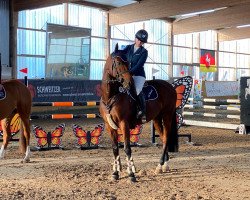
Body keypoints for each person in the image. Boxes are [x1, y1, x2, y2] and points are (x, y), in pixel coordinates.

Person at [122, 29, 148, 121]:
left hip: (138, 75)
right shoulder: (128, 48)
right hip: (125, 74)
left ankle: (142, 110)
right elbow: (121, 56)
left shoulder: (144, 52)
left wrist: (129, 73)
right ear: (135, 38)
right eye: (139, 40)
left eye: (142, 41)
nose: (140, 42)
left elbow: (139, 65)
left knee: (136, 90)